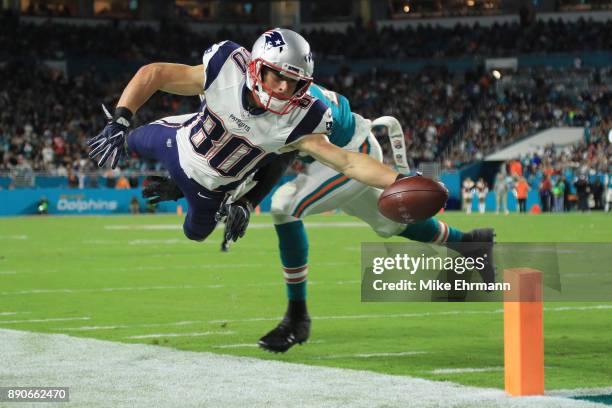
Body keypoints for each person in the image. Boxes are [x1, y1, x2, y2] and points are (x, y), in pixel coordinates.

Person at [144, 85, 496, 353]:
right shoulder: (273, 90)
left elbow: (273, 159)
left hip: (350, 156)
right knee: (390, 224)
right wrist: (187, 182)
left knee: (285, 206)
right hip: (345, 151)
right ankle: (470, 243)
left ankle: (297, 318)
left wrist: (249, 202)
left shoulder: (287, 102)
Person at [88, 28, 399, 243]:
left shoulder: (300, 119)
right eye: (278, 75)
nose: (282, 88)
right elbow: (155, 74)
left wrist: (400, 182)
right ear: (257, 66)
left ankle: (182, 187)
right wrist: (121, 119)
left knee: (195, 233)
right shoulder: (227, 66)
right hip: (178, 142)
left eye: (293, 82)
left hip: (213, 185)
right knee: (126, 140)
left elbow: (348, 162)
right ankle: (130, 137)